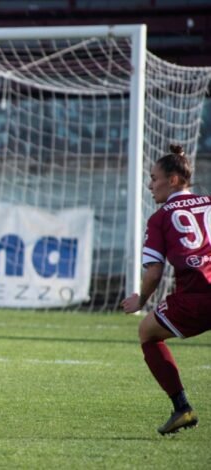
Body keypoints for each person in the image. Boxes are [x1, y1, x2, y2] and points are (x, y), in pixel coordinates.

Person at [121, 144, 210, 435]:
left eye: (154, 177)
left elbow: (154, 271)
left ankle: (182, 408)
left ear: (173, 180)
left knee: (147, 332)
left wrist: (141, 300)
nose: (150, 185)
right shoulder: (209, 202)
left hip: (197, 296)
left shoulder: (160, 218)